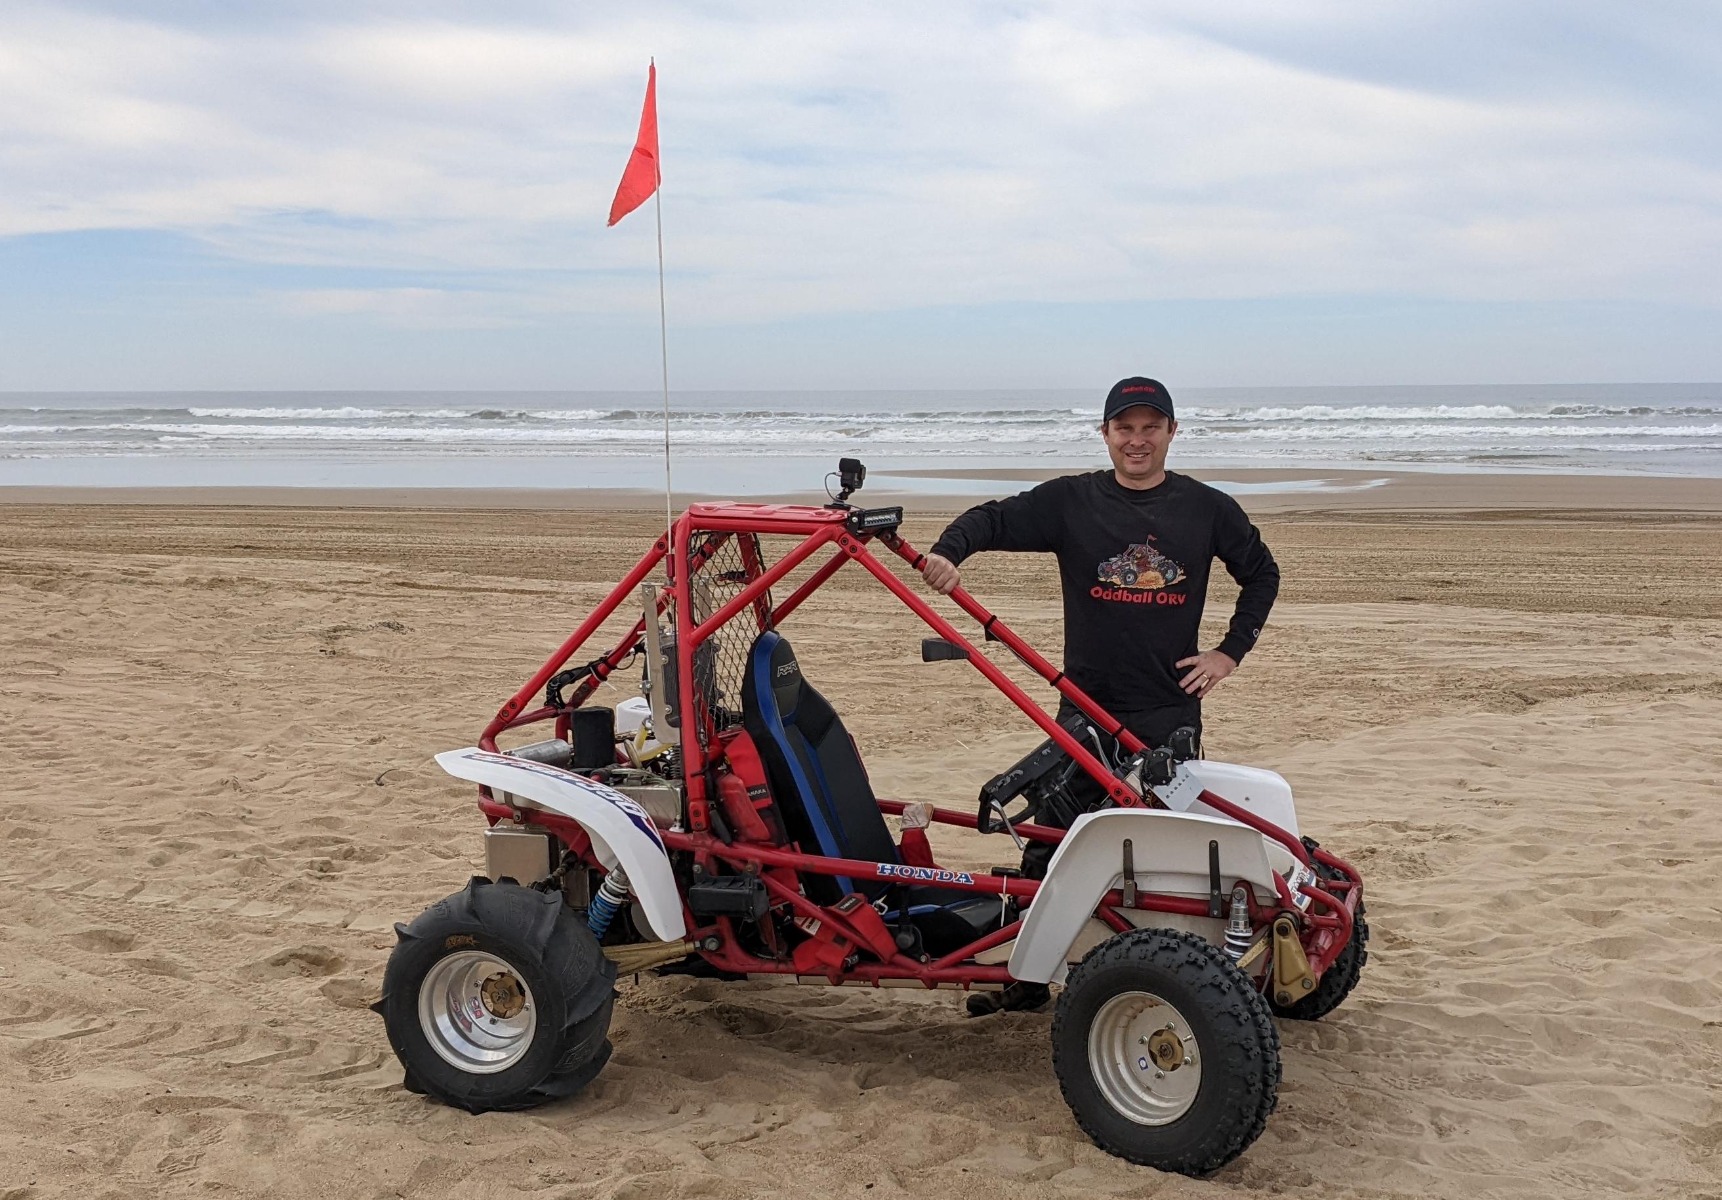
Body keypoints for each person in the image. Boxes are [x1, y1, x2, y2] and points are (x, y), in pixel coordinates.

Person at [918, 377, 1280, 1015]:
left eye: (1150, 427)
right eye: (1124, 428)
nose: (1137, 440)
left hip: (1169, 712)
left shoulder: (1207, 509)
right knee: (1051, 838)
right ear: (1105, 434)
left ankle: (1165, 980)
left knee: (1171, 851)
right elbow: (992, 519)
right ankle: (1025, 980)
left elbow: (1262, 574)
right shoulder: (1072, 502)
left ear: (1172, 432)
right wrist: (951, 552)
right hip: (1084, 709)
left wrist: (1229, 654)